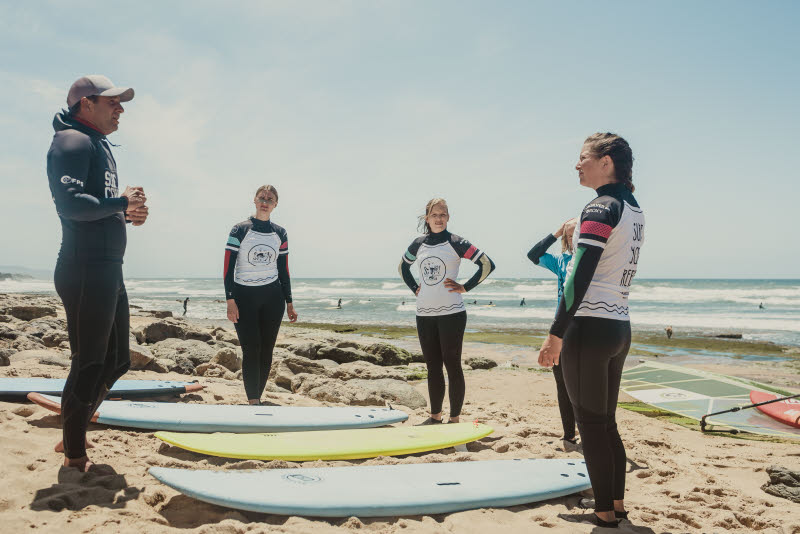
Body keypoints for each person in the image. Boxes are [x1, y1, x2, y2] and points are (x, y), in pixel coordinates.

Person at [538, 133, 644, 528]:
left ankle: (603, 512)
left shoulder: (599, 207)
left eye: (583, 158)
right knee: (607, 422)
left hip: (589, 328)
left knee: (591, 425)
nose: (577, 165)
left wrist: (556, 333)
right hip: (619, 327)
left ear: (606, 161)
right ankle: (615, 503)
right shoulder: (633, 207)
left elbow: (579, 276)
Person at [47, 75, 148, 472]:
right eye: (113, 102)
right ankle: (74, 456)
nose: (120, 108)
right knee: (88, 362)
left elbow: (101, 205)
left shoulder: (100, 145)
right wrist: (120, 202)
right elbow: (72, 205)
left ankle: (74, 428)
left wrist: (126, 211)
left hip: (109, 268)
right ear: (86, 104)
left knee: (118, 360)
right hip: (85, 268)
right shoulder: (70, 141)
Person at [399, 198, 495, 424]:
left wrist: (465, 287)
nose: (439, 219)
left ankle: (454, 419)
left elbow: (487, 264)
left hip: (452, 314)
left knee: (452, 366)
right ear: (427, 218)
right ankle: (435, 416)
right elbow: (403, 266)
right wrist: (415, 288)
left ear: (448, 217)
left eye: (443, 214)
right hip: (424, 315)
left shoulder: (457, 242)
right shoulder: (418, 244)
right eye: (434, 215)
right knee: (432, 367)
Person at [224, 185, 298, 405]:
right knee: (251, 348)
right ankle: (253, 400)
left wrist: (290, 303)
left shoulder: (280, 233)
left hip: (272, 298)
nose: (265, 201)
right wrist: (230, 299)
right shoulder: (240, 229)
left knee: (267, 350)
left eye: (270, 199)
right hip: (243, 297)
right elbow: (228, 267)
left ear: (275, 204)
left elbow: (284, 270)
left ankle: (257, 396)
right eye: (262, 198)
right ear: (254, 201)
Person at [527, 217, 579, 451]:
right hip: (562, 328)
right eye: (568, 235)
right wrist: (557, 232)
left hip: (585, 327)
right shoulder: (561, 261)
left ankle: (589, 431)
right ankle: (569, 435)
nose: (572, 238)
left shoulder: (593, 259)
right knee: (562, 383)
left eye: (575, 233)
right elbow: (533, 255)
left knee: (583, 384)